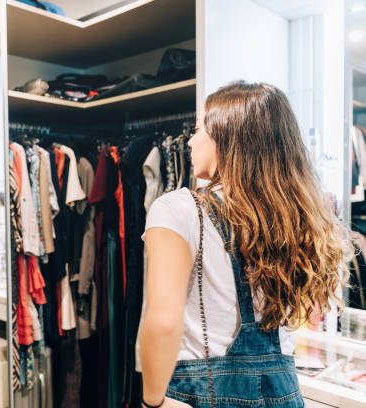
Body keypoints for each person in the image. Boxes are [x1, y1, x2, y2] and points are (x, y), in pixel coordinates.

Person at [139, 82, 346, 407]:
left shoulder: (178, 208)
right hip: (283, 392)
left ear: (226, 136)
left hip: (204, 392)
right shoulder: (296, 218)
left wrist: (153, 401)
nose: (190, 142)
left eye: (197, 130)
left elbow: (164, 321)